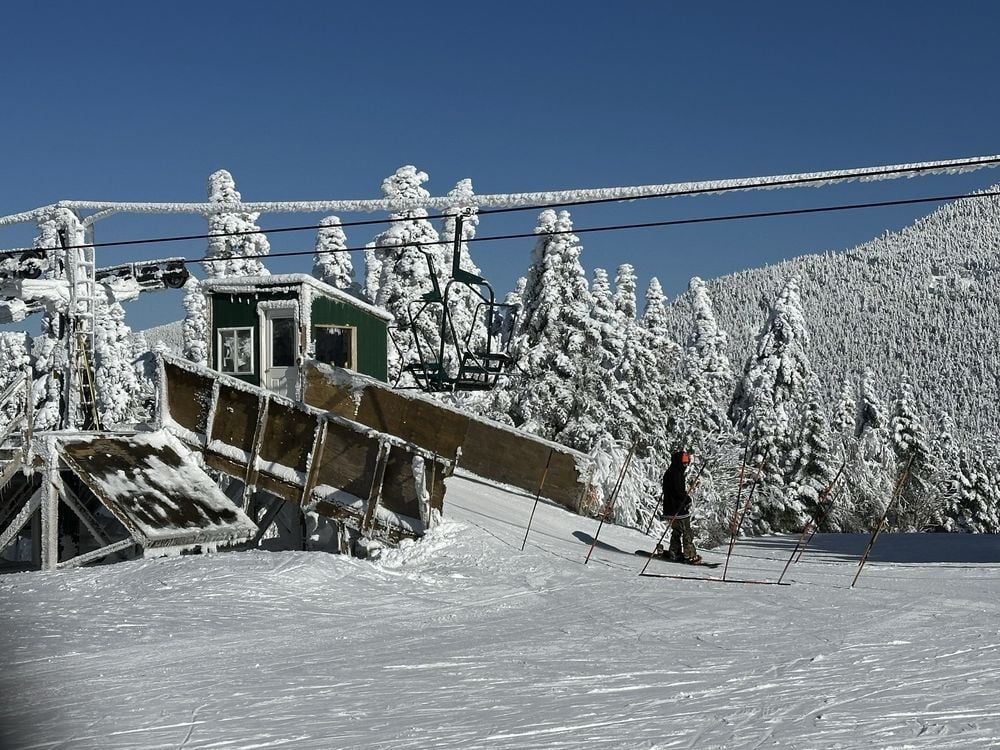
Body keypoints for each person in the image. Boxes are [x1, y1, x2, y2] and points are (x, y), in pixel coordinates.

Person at [659, 450, 702, 564]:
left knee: (676, 531)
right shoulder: (677, 474)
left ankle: (675, 552)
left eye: (687, 463)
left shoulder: (669, 472)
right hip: (678, 509)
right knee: (686, 531)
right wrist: (687, 499)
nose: (685, 465)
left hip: (669, 508)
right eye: (684, 463)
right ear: (678, 462)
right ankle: (690, 555)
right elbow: (679, 492)